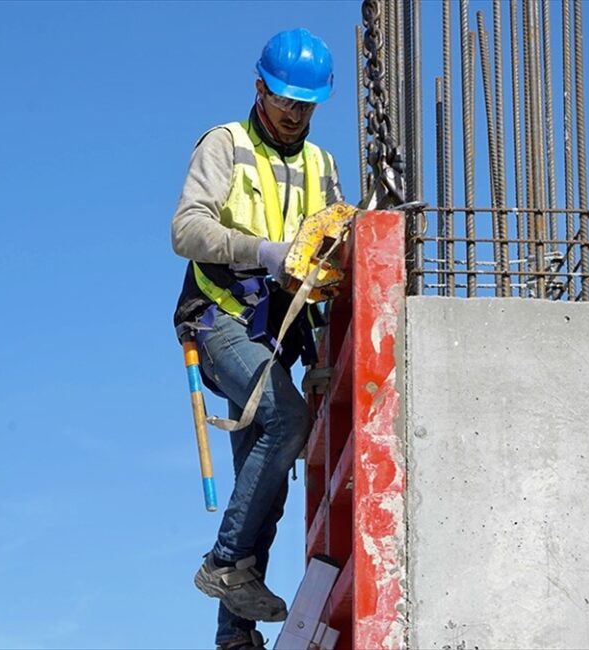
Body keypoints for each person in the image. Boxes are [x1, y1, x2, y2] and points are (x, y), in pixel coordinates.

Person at [170, 28, 343, 650]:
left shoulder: (322, 167)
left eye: (306, 104)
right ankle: (221, 564)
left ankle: (234, 637)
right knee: (283, 417)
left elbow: (329, 266)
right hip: (220, 322)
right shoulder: (228, 145)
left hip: (279, 339)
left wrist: (325, 348)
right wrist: (261, 252)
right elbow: (186, 230)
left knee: (264, 486)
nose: (295, 114)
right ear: (260, 88)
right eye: (285, 100)